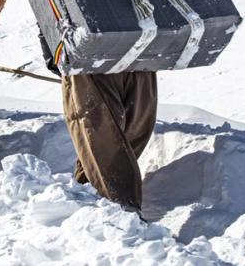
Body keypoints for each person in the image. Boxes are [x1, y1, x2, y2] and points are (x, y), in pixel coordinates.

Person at [39, 32, 157, 214]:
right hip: (104, 55)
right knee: (107, 136)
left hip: (125, 54)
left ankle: (101, 204)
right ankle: (113, 209)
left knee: (123, 132)